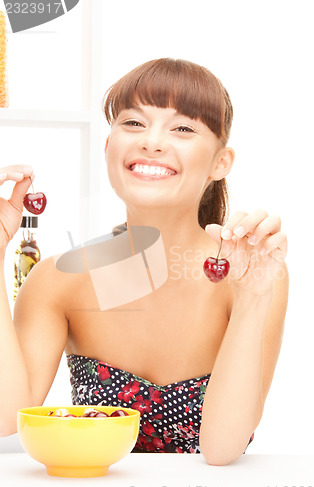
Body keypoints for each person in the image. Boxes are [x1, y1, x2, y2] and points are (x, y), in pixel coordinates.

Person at [0, 58, 288, 464]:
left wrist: (254, 297)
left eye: (183, 128)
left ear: (221, 163)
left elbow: (223, 450)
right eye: (133, 123)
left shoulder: (250, 272)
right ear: (108, 146)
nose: (152, 141)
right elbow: (6, 421)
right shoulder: (57, 280)